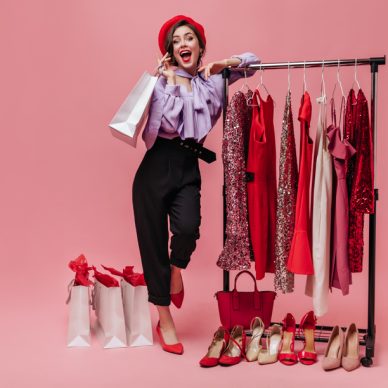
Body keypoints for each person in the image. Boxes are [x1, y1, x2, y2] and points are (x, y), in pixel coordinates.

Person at [132, 14, 259, 354]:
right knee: (153, 244)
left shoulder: (213, 80)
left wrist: (224, 64)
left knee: (188, 227)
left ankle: (177, 271)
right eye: (176, 41)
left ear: (200, 46)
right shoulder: (160, 82)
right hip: (155, 168)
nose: (183, 44)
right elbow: (160, 123)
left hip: (189, 166)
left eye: (189, 38)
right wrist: (166, 79)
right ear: (170, 51)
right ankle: (164, 318)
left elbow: (254, 62)